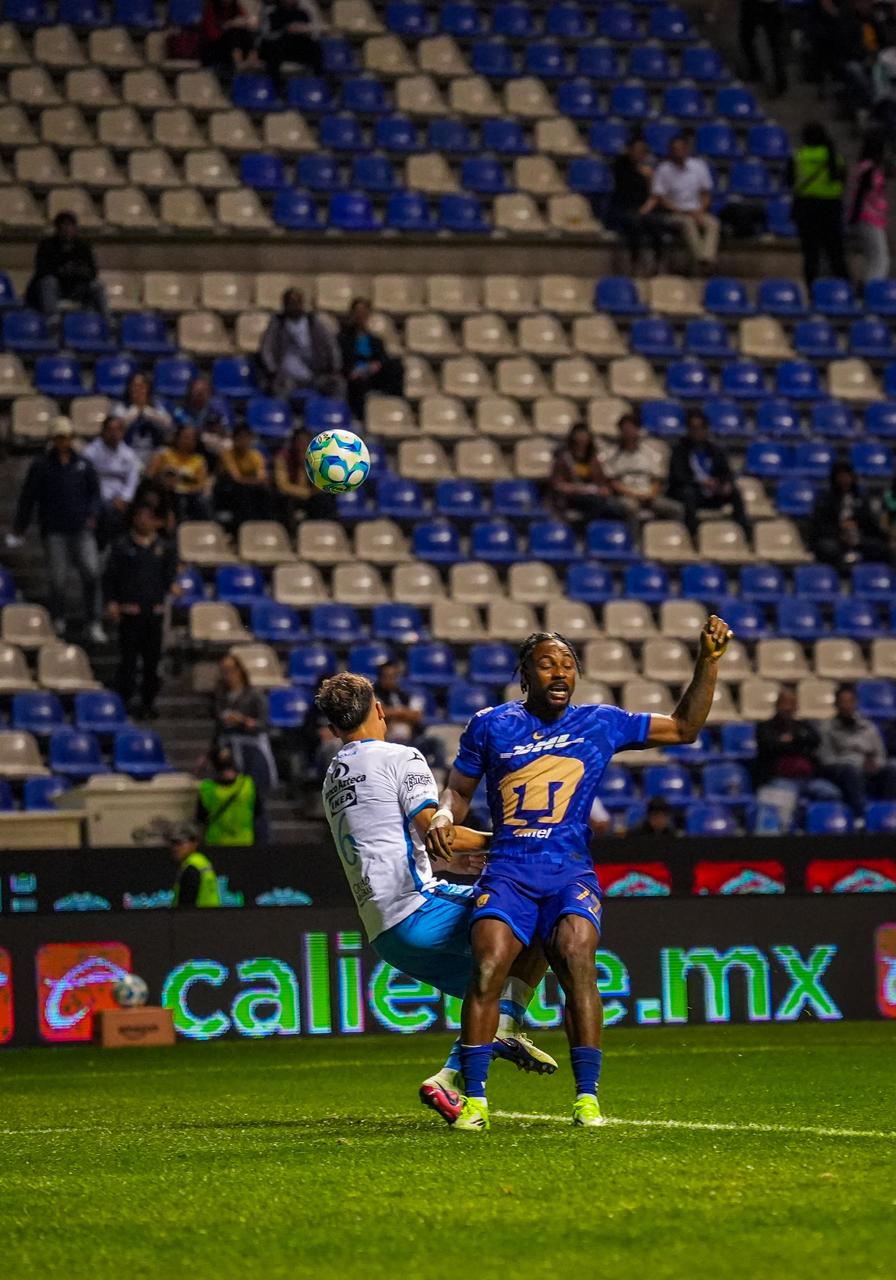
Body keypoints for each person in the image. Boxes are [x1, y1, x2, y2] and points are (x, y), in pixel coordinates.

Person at [426, 617, 733, 1131]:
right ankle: (475, 1099)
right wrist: (442, 815)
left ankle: (586, 1099)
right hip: (508, 872)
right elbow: (458, 789)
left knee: (577, 962)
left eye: (568, 664)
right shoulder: (490, 724)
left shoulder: (601, 722)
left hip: (569, 873)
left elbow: (685, 728)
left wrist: (708, 662)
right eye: (547, 664)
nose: (560, 672)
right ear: (525, 675)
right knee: (487, 970)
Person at [316, 672, 558, 1125]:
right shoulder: (401, 756)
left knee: (490, 988)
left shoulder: (334, 776)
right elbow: (436, 830)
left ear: (333, 728)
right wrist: (515, 841)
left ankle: (448, 1080)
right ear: (380, 710)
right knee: (545, 909)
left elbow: (385, 843)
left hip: (385, 932)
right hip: (419, 909)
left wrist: (450, 864)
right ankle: (505, 1030)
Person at [11, 417, 106, 643]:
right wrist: (20, 526)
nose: (64, 442)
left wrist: (93, 514)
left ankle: (93, 620)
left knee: (92, 572)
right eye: (60, 437)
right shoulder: (42, 466)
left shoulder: (83, 464)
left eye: (67, 437)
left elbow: (95, 494)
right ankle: (58, 618)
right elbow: (28, 497)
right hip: (54, 531)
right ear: (53, 439)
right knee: (57, 579)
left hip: (81, 529)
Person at [104, 502, 178, 719]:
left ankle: (148, 702)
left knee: (152, 661)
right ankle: (125, 700)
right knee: (128, 660)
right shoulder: (121, 546)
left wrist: (173, 587)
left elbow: (168, 577)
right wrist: (112, 602)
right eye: (141, 516)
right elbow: (110, 577)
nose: (144, 521)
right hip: (130, 612)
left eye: (149, 517)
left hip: (154, 612)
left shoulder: (164, 548)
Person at [755, 686, 843, 827]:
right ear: (777, 705)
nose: (789, 707)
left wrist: (790, 740)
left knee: (832, 793)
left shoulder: (803, 726)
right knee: (787, 798)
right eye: (785, 703)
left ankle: (823, 829)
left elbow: (814, 741)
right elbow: (770, 746)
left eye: (792, 703)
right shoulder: (766, 727)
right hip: (781, 779)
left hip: (807, 780)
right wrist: (797, 742)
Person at [213, 652, 278, 839]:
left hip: (252, 750)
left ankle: (262, 841)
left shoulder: (254, 695)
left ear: (240, 671)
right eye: (224, 671)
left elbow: (264, 725)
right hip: (230, 751)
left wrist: (242, 721)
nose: (228, 675)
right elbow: (218, 727)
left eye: (231, 670)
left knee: (256, 799)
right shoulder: (222, 697)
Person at [668, 409, 750, 537]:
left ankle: (744, 533)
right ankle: (693, 535)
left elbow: (726, 472)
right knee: (688, 494)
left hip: (712, 492)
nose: (698, 432)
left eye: (701, 428)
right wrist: (701, 482)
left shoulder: (715, 450)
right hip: (691, 490)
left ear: (706, 429)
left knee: (735, 492)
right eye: (694, 428)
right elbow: (678, 476)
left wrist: (724, 484)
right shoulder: (679, 450)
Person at [818, 684, 896, 817]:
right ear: (836, 704)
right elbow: (826, 759)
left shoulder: (868, 727)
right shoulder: (827, 728)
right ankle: (862, 817)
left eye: (850, 701)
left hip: (870, 771)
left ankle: (888, 813)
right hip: (845, 772)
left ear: (856, 703)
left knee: (893, 767)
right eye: (843, 702)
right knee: (852, 771)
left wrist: (876, 764)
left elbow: (881, 754)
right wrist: (853, 763)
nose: (846, 706)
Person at [788, 122, 849, 287]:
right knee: (836, 253)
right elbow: (842, 181)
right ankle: (845, 289)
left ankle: (812, 290)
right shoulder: (834, 157)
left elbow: (789, 180)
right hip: (831, 208)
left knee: (810, 254)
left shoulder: (798, 156)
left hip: (806, 208)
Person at [25, 210, 110, 326]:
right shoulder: (46, 245)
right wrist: (61, 270)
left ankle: (107, 320)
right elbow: (41, 270)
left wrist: (77, 271)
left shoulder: (83, 246)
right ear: (57, 228)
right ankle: (52, 319)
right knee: (49, 282)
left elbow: (93, 272)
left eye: (70, 226)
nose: (67, 229)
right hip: (55, 288)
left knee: (97, 285)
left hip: (75, 287)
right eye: (64, 226)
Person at [550, 423, 638, 533]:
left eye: (584, 435)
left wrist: (604, 489)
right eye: (579, 435)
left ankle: (628, 537)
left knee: (623, 510)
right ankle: (592, 534)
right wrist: (579, 489)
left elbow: (602, 482)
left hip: (594, 496)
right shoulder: (563, 459)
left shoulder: (593, 459)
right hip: (572, 498)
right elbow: (558, 485)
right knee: (597, 505)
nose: (582, 439)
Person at [258, 288, 342, 402]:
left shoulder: (313, 322)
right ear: (284, 304)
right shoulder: (277, 324)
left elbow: (331, 345)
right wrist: (272, 370)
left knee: (337, 384)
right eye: (291, 302)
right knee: (278, 389)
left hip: (314, 374)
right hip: (286, 377)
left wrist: (334, 367)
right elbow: (266, 349)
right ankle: (280, 412)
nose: (295, 306)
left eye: (298, 302)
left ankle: (333, 413)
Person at [599, 412, 683, 525]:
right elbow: (613, 483)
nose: (628, 432)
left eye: (631, 428)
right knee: (630, 508)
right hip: (626, 496)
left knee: (676, 509)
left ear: (638, 430)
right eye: (625, 429)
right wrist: (634, 495)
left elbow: (657, 480)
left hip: (649, 495)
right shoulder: (611, 454)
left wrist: (651, 494)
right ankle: (635, 536)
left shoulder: (650, 453)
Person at [651, 135, 720, 272]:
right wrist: (683, 212)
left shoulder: (699, 166)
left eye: (681, 149)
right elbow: (660, 198)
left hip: (697, 211)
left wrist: (700, 211)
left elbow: (705, 194)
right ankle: (700, 259)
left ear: (687, 149)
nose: (678, 152)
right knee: (687, 223)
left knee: (713, 223)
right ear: (670, 151)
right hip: (674, 213)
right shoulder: (663, 169)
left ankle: (707, 258)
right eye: (675, 149)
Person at [607, 133, 673, 274]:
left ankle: (658, 261)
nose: (639, 153)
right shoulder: (620, 165)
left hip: (642, 208)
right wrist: (638, 171)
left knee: (656, 222)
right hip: (623, 208)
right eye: (636, 150)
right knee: (634, 223)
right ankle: (635, 261)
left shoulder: (648, 170)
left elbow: (653, 194)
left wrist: (650, 178)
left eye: (642, 151)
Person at [809, 461, 890, 571]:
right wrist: (839, 530)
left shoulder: (860, 499)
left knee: (880, 547)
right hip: (834, 538)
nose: (845, 479)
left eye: (847, 476)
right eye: (841, 476)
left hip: (858, 537)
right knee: (828, 549)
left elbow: (870, 523)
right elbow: (819, 527)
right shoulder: (825, 500)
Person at [338, 297, 404, 422]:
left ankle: (396, 403)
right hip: (354, 375)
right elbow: (341, 360)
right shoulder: (344, 338)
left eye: (364, 312)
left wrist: (377, 365)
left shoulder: (375, 340)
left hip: (371, 373)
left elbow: (383, 358)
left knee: (396, 365)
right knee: (358, 382)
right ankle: (359, 418)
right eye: (358, 312)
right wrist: (354, 371)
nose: (360, 316)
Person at [82, 414, 143, 550]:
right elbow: (86, 480)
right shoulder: (91, 452)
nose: (114, 434)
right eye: (110, 430)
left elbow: (132, 480)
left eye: (118, 430)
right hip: (98, 497)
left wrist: (124, 498)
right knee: (105, 511)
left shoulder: (128, 454)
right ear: (103, 431)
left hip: (120, 499)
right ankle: (102, 547)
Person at [847, 130, 890, 283]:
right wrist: (854, 217)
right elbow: (860, 194)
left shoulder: (863, 167)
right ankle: (873, 290)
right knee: (881, 259)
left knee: (873, 259)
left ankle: (868, 287)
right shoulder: (869, 169)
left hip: (869, 218)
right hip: (869, 218)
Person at [273, 425, 337, 526]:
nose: (303, 445)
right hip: (292, 496)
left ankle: (325, 528)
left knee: (326, 498)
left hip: (311, 496)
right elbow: (283, 486)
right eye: (300, 442)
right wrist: (305, 493)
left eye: (306, 442)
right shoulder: (283, 458)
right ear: (293, 443)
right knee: (286, 501)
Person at [147, 424, 211, 522]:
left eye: (192, 438)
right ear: (177, 437)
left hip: (189, 496)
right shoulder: (163, 454)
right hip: (165, 493)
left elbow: (201, 485)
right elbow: (149, 476)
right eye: (185, 437)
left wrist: (185, 486)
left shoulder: (199, 461)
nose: (187, 441)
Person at [198, 745, 257, 846]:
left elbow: (201, 817)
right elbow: (257, 812)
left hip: (217, 843)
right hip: (244, 841)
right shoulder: (248, 784)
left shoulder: (207, 788)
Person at [259, 0, 324, 91]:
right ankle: (276, 89)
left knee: (315, 47)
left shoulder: (304, 10)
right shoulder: (271, 11)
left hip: (298, 46)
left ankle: (318, 85)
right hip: (277, 46)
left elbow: (316, 32)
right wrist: (285, 30)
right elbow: (266, 35)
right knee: (273, 50)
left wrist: (305, 29)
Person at [215, 423, 271, 528]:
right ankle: (244, 526)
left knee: (265, 491)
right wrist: (255, 481)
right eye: (240, 437)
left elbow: (262, 477)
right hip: (228, 490)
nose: (243, 441)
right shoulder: (227, 455)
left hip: (250, 487)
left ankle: (265, 524)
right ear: (234, 439)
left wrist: (256, 481)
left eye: (246, 437)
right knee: (243, 491)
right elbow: (236, 478)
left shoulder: (256, 455)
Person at [113, 372, 173, 468]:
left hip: (152, 449)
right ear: (129, 388)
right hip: (128, 449)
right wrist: (133, 413)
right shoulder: (121, 407)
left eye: (142, 386)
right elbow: (115, 428)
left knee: (165, 453)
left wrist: (150, 413)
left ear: (148, 388)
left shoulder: (157, 406)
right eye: (134, 386)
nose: (138, 389)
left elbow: (169, 426)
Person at [172, 375, 233, 464]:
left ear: (209, 393)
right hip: (188, 440)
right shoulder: (181, 409)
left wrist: (219, 429)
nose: (200, 395)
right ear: (190, 392)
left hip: (210, 440)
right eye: (197, 392)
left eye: (204, 391)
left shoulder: (216, 408)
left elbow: (227, 431)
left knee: (228, 445)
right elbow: (187, 429)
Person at [167, 820, 222, 908]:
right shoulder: (202, 862)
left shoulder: (191, 867)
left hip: (198, 916)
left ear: (194, 843)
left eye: (180, 843)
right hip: (210, 914)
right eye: (173, 843)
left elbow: (186, 906)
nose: (175, 848)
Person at [198, 0, 258, 78]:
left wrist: (242, 22)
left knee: (244, 31)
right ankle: (239, 63)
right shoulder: (210, 8)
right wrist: (228, 25)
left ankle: (250, 60)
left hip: (231, 45)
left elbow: (244, 19)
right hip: (214, 47)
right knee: (234, 33)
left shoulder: (235, 6)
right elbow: (212, 34)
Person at [740, 0, 788, 96]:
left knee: (774, 45)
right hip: (754, 5)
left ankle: (777, 82)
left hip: (768, 5)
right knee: (746, 39)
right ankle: (757, 74)